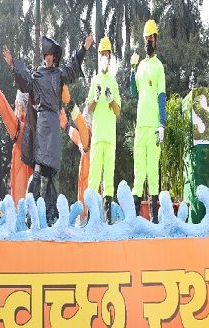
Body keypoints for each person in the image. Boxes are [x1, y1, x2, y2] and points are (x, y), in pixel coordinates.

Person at [0, 50, 90, 208]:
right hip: (27, 211)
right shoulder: (31, 133)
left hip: (27, 211)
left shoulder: (27, 133)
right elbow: (6, 110)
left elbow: (4, 109)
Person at [3, 34, 94, 224]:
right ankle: (30, 211)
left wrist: (84, 49)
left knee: (53, 171)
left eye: (51, 54)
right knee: (37, 168)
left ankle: (52, 214)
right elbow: (25, 80)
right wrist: (13, 65)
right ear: (44, 56)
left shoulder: (59, 74)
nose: (49, 57)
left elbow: (72, 67)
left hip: (54, 122)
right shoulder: (37, 75)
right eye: (46, 54)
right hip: (42, 123)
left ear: (54, 56)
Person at [130, 19, 166, 223]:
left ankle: (153, 219)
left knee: (153, 172)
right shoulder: (141, 65)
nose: (149, 40)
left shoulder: (159, 66)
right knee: (138, 172)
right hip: (140, 125)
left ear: (156, 40)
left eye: (152, 37)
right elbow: (133, 91)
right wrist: (131, 70)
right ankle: (135, 218)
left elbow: (162, 96)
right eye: (146, 37)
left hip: (153, 126)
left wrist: (162, 124)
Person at [87, 36, 121, 223]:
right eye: (102, 53)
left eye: (107, 53)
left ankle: (108, 218)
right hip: (98, 134)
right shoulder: (94, 81)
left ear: (110, 56)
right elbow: (89, 109)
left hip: (110, 137)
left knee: (109, 176)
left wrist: (111, 100)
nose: (105, 56)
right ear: (99, 56)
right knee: (93, 176)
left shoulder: (114, 82)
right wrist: (96, 97)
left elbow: (118, 112)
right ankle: (92, 216)